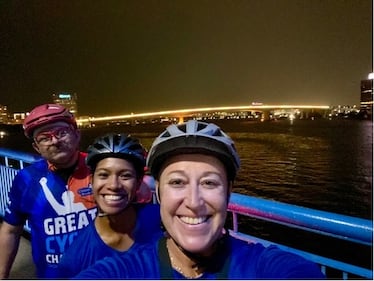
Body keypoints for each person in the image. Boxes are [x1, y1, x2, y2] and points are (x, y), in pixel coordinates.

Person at [74, 120, 325, 279]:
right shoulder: (123, 271)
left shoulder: (262, 266)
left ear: (228, 192)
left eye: (209, 182)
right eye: (177, 182)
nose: (194, 202)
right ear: (158, 192)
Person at [0, 103, 97, 279]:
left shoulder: (100, 167)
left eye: (61, 132)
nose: (55, 141)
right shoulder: (26, 179)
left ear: (77, 134)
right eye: (44, 138)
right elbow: (10, 230)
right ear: (36, 148)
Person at [57, 133, 163, 278]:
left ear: (138, 183)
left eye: (125, 175)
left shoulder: (163, 220)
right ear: (91, 181)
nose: (114, 185)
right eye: (103, 175)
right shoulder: (76, 258)